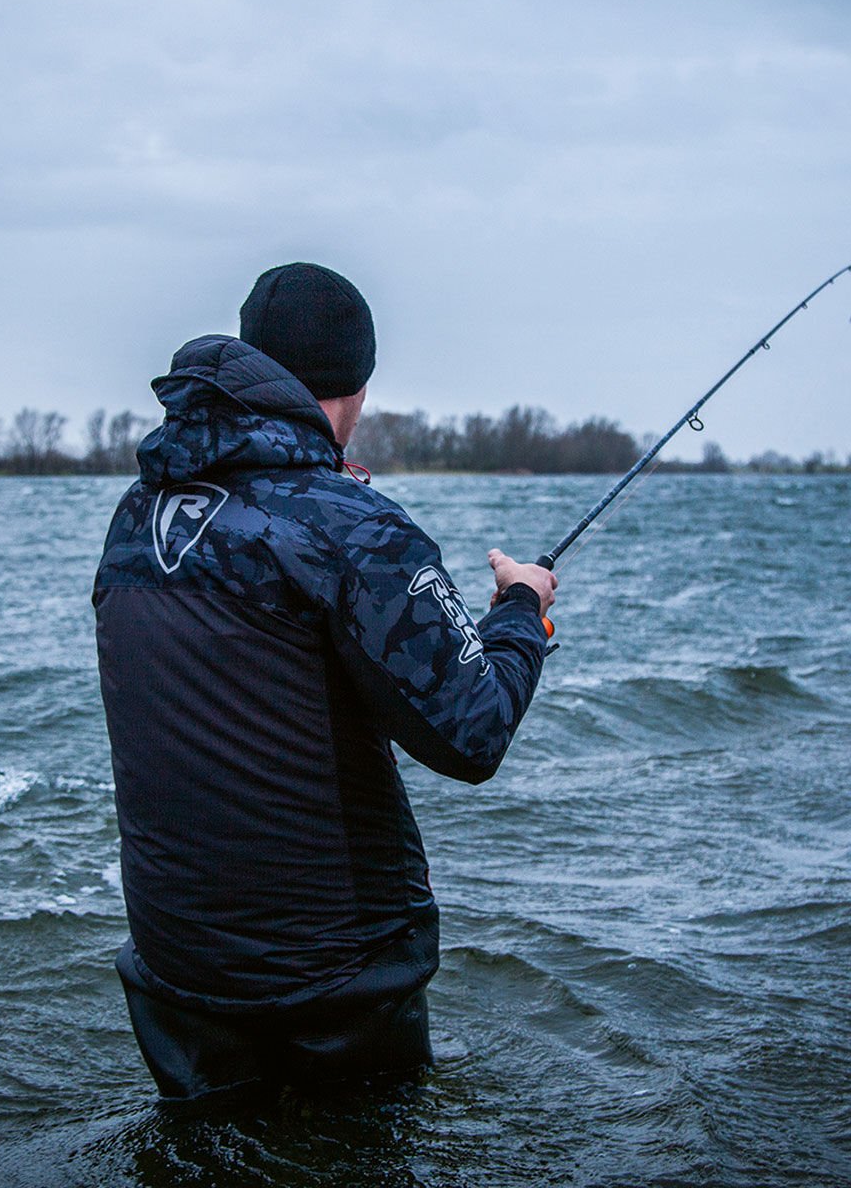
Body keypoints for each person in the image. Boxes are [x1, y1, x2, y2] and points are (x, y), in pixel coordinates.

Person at [92, 262, 557, 1103]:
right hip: (333, 989)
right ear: (356, 385)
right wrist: (522, 608)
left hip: (175, 978)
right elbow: (474, 730)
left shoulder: (136, 514)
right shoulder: (353, 525)